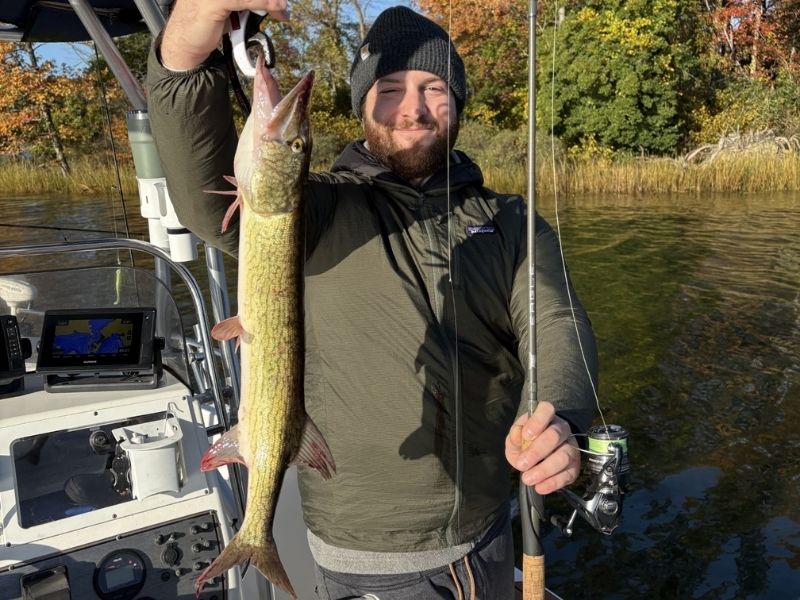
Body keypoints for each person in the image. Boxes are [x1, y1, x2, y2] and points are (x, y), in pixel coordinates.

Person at [146, 2, 599, 598]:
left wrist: (559, 417)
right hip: (366, 553)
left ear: (457, 102)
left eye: (433, 87)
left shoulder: (511, 220)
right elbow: (208, 207)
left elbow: (557, 320)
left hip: (488, 532)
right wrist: (182, 52)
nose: (412, 108)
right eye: (390, 88)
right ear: (362, 106)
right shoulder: (317, 209)